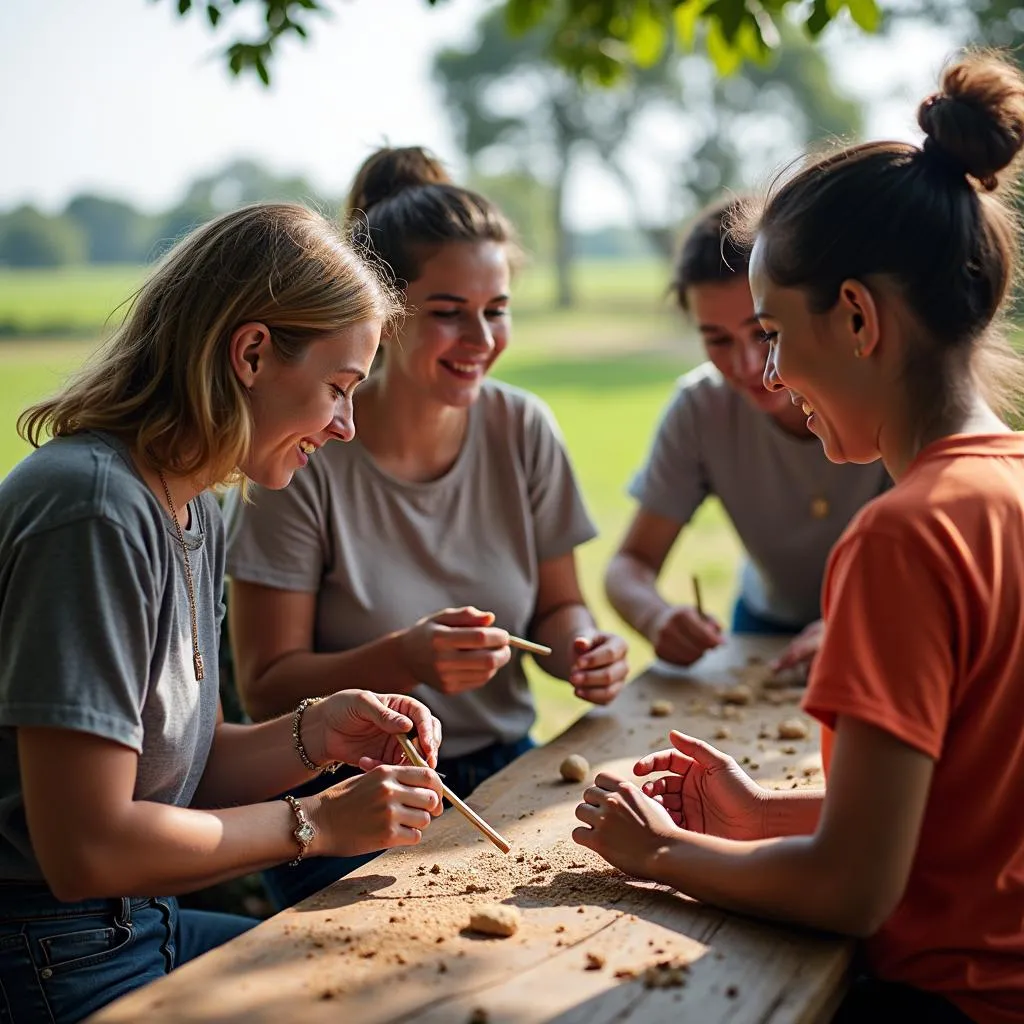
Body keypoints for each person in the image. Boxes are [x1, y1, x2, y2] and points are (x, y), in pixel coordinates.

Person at [574, 53, 1024, 1024]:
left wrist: (656, 854)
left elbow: (856, 889)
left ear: (856, 316)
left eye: (774, 331)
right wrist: (760, 814)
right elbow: (963, 820)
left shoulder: (899, 537)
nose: (769, 374)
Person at [0, 203, 447, 1024]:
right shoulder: (93, 512)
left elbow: (174, 772)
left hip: (136, 926)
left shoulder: (195, 505)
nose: (345, 426)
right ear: (250, 353)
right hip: (48, 956)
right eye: (338, 389)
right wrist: (315, 823)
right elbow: (86, 848)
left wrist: (317, 735)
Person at [225, 147, 630, 910]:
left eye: (497, 309)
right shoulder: (302, 450)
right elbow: (265, 684)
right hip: (347, 800)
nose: (481, 337)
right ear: (386, 314)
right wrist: (402, 657)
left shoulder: (523, 428)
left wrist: (580, 645)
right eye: (448, 313)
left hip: (508, 769)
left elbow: (557, 606)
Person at [604, 198, 890, 673]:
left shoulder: (888, 398)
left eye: (764, 334)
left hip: (888, 624)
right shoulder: (700, 406)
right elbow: (628, 563)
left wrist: (859, 623)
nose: (748, 368)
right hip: (761, 624)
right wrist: (656, 618)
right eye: (717, 341)